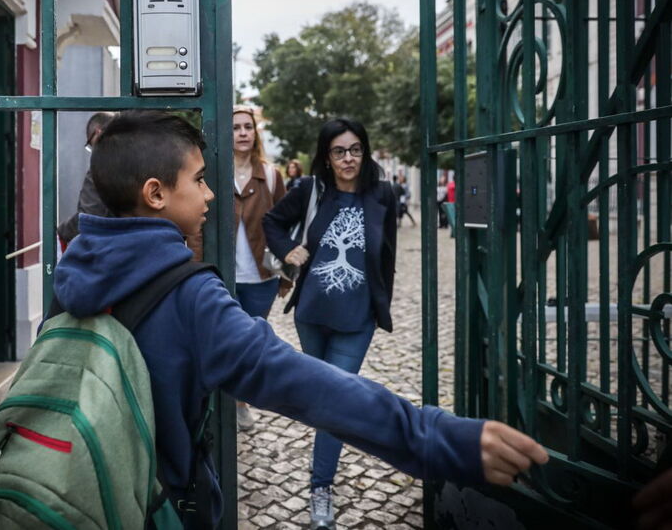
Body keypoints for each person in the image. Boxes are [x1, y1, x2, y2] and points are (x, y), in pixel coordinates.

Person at [53, 111, 548, 529]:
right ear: (156, 193)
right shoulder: (191, 298)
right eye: (199, 180)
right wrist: (435, 436)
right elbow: (305, 385)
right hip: (153, 505)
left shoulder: (73, 271)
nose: (208, 195)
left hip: (74, 490)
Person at [262, 119, 405, 525]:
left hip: (356, 320)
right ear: (327, 155)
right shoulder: (311, 191)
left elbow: (388, 257)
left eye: (356, 149)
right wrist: (289, 250)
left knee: (334, 403)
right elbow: (270, 222)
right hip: (312, 316)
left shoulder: (383, 195)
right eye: (340, 151)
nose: (348, 158)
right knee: (322, 399)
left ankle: (320, 486)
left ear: (365, 151)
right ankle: (323, 476)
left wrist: (381, 306)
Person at [231, 105, 286, 431]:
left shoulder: (271, 175)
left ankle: (240, 400)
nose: (241, 133)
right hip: (223, 276)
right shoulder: (213, 171)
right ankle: (233, 402)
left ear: (255, 133)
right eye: (236, 127)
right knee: (229, 341)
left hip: (260, 278)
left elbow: (284, 226)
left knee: (250, 344)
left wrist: (284, 275)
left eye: (247, 127)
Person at [57, 111, 115, 245]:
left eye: (90, 143)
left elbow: (89, 216)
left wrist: (63, 231)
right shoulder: (141, 152)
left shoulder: (102, 165)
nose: (93, 149)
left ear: (98, 133)